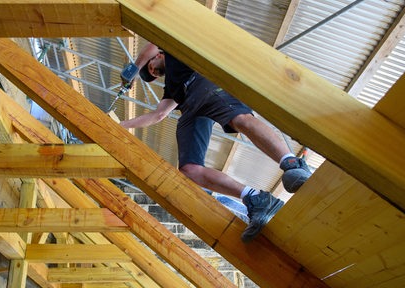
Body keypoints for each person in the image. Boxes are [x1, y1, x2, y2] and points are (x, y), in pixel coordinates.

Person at [120, 43, 311, 242]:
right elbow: (158, 115)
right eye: (151, 75)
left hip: (204, 82)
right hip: (189, 106)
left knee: (239, 119)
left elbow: (152, 44)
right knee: (189, 171)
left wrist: (134, 68)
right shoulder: (172, 87)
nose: (151, 71)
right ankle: (256, 199)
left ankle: (291, 163)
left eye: (149, 66)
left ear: (157, 54)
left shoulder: (171, 48)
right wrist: (121, 125)